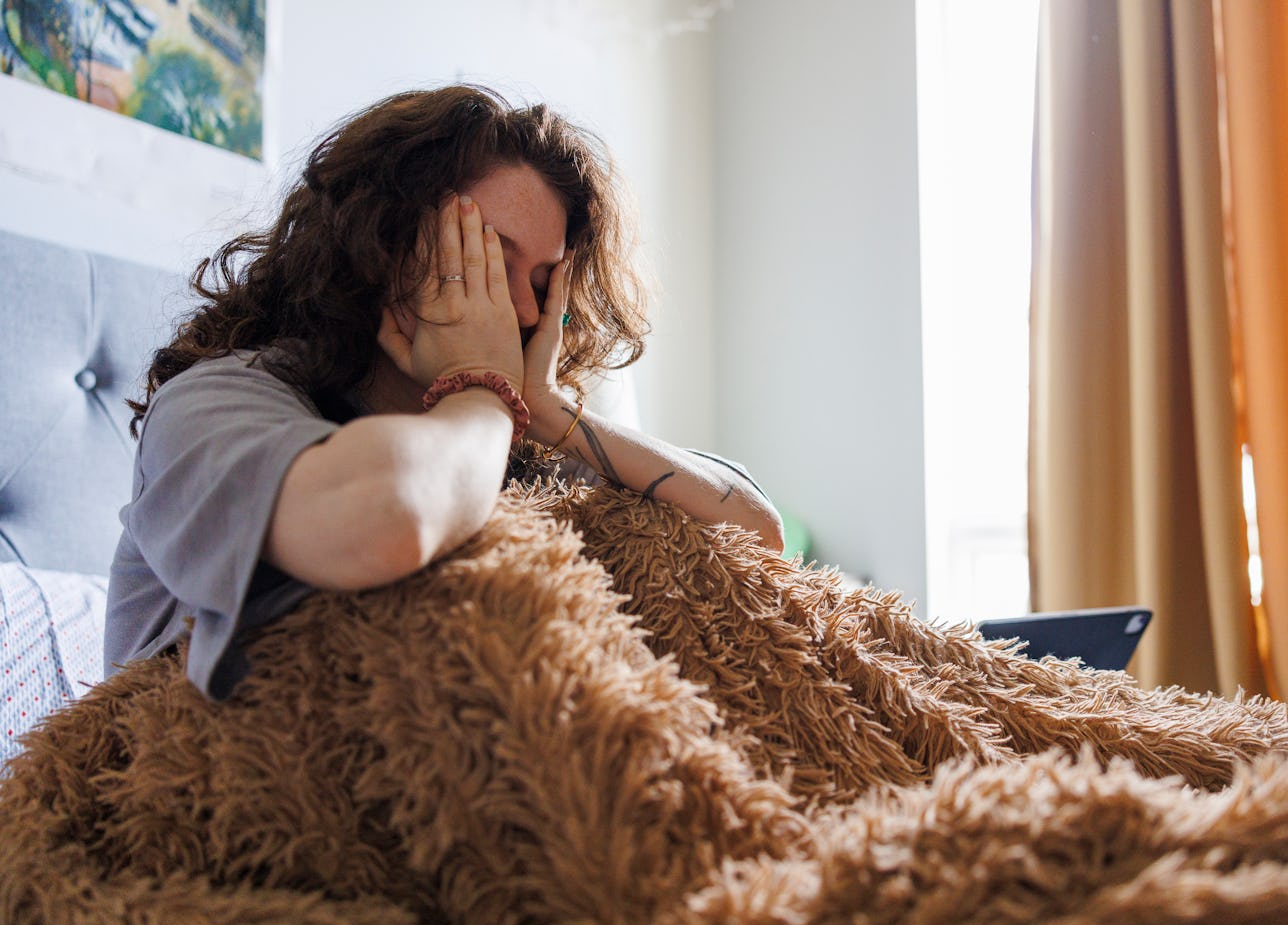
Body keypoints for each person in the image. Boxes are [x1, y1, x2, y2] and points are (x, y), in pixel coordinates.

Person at [105, 85, 783, 700]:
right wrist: (482, 388)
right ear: (381, 245)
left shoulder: (505, 437)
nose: (521, 309)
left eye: (544, 283)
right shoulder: (216, 402)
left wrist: (554, 414)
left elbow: (757, 532)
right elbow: (385, 519)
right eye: (485, 259)